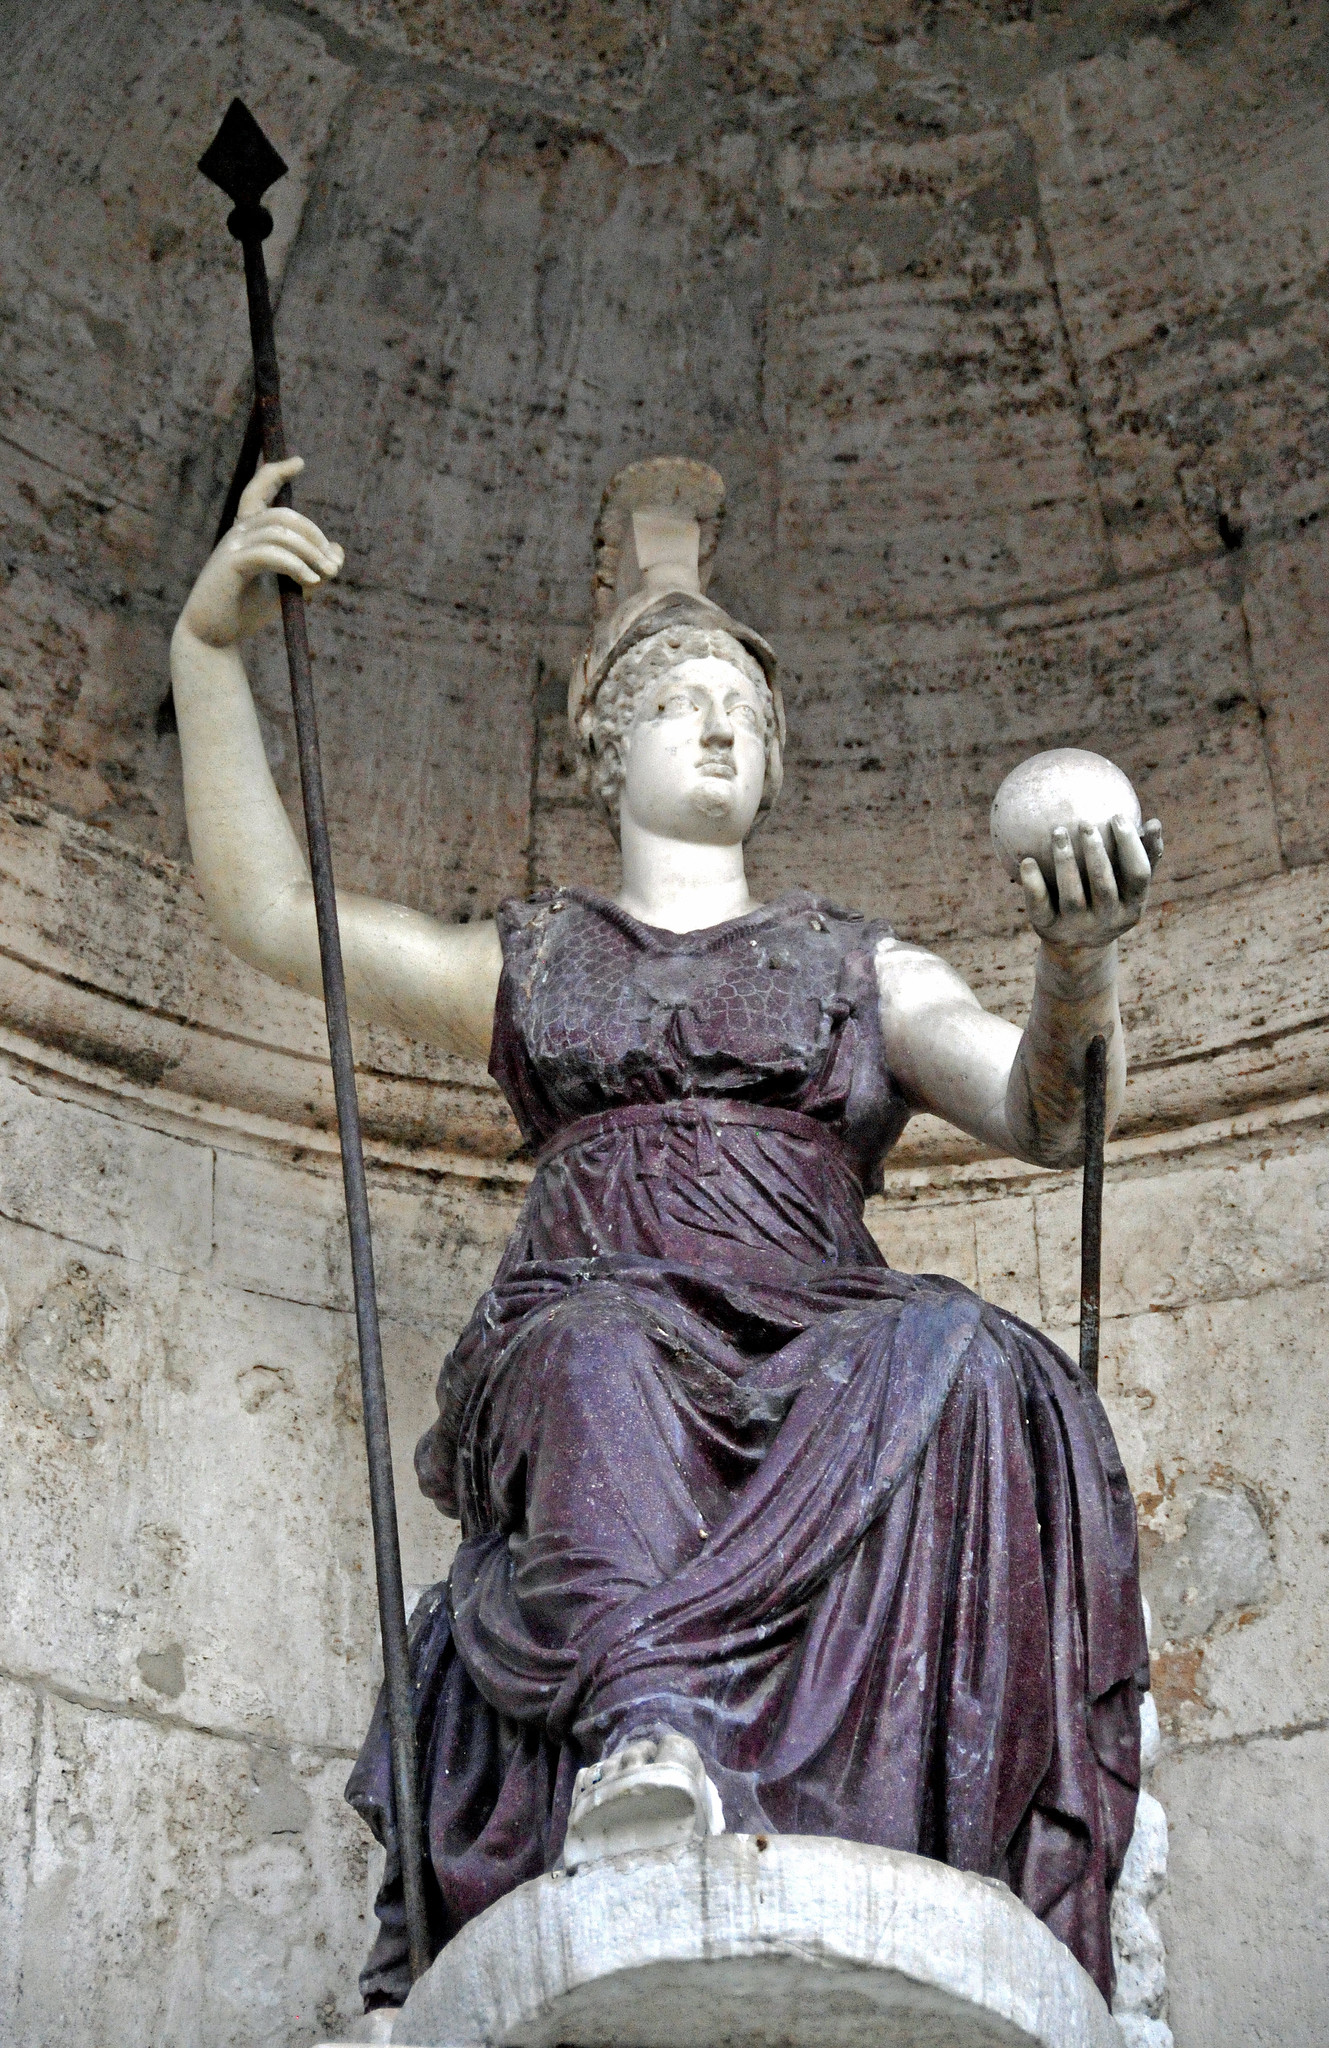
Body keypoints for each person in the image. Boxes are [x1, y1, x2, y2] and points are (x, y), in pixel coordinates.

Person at [170, 454, 1160, 2010]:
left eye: (743, 711)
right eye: (680, 701)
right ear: (606, 745)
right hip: (605, 1305)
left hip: (818, 1328)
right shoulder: (538, 961)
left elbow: (1047, 1112)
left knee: (972, 1355)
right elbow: (276, 918)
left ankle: (933, 1819)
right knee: (598, 1352)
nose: (716, 727)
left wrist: (1077, 960)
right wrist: (208, 651)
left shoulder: (859, 968)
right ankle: (647, 1740)